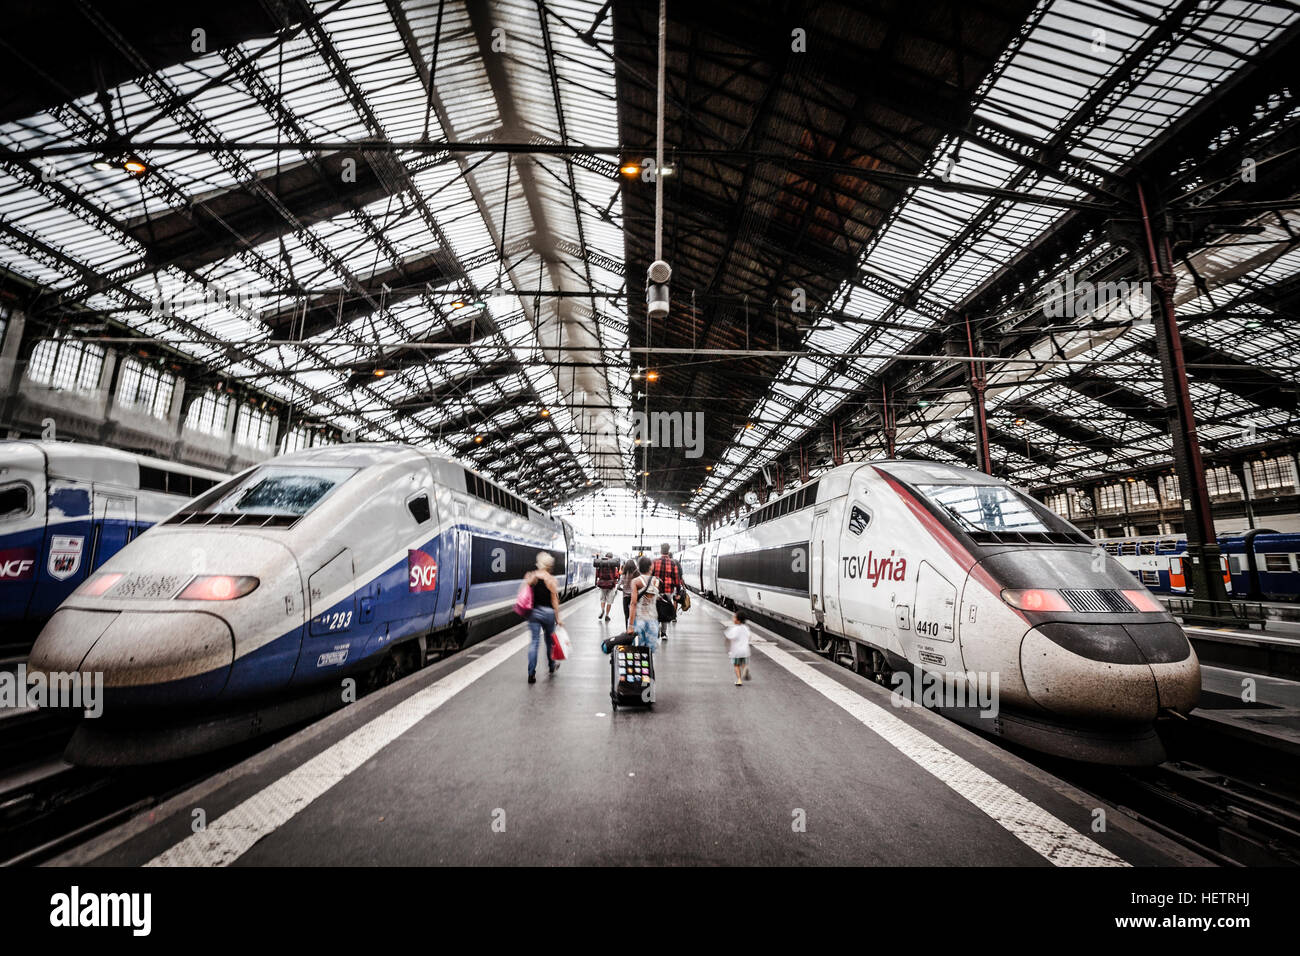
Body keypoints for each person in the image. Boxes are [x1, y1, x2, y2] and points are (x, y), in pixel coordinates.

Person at [522, 551, 564, 684]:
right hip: (548, 613)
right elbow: (554, 602)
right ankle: (551, 666)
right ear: (549, 565)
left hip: (534, 612)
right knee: (549, 642)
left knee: (534, 642)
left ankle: (531, 674)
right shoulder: (551, 580)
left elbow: (525, 593)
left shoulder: (533, 577)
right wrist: (558, 619)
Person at [626, 555, 661, 650]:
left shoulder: (636, 581)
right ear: (651, 567)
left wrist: (630, 625)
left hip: (639, 620)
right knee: (650, 652)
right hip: (653, 621)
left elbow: (633, 603)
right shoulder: (657, 581)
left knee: (638, 652)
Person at [651, 543, 683, 642]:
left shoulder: (655, 562)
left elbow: (650, 576)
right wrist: (678, 592)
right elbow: (677, 578)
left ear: (661, 551)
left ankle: (656, 631)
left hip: (656, 590)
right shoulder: (673, 563)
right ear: (668, 551)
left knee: (655, 610)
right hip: (668, 591)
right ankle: (664, 633)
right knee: (664, 611)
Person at [724, 610, 753, 687]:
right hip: (745, 651)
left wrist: (727, 648)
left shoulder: (734, 628)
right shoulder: (746, 628)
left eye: (734, 617)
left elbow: (728, 638)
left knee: (736, 665)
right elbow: (749, 637)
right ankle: (745, 669)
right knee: (743, 663)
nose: (733, 619)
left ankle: (739, 680)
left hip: (736, 651)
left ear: (738, 620)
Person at [595, 552, 620, 621]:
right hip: (611, 585)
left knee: (603, 599)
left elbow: (597, 575)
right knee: (609, 601)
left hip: (602, 584)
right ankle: (607, 615)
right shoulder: (613, 565)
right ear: (612, 558)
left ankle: (602, 610)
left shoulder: (601, 564)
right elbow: (616, 576)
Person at [618, 557, 638, 628]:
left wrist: (622, 589)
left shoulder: (624, 574)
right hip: (634, 596)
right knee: (634, 614)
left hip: (625, 597)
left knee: (626, 615)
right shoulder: (636, 574)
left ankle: (627, 629)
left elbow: (619, 586)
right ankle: (634, 628)